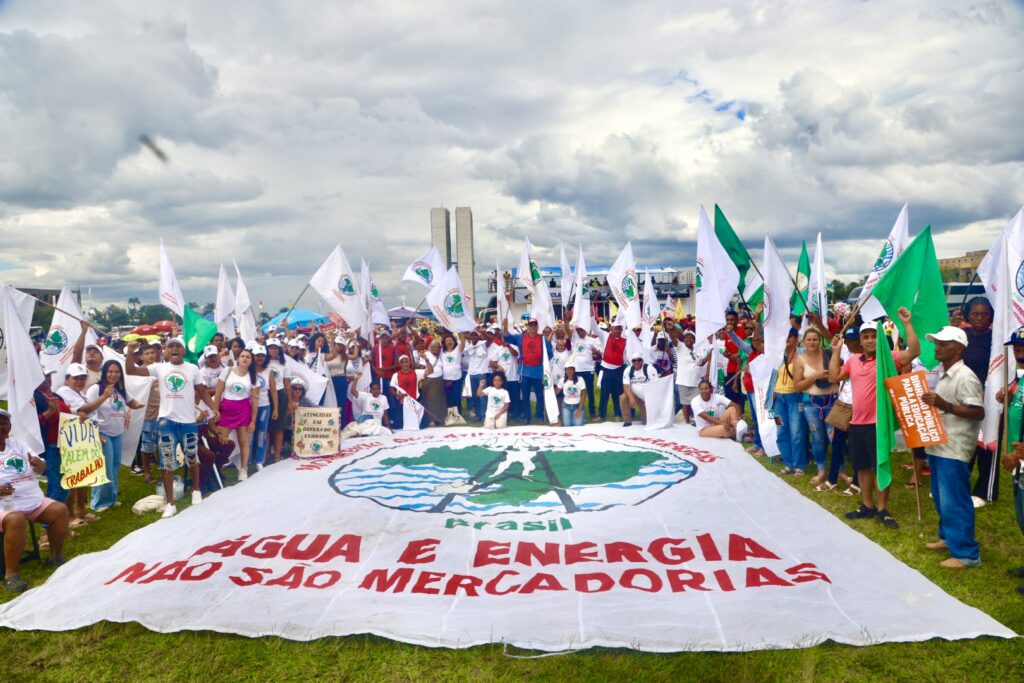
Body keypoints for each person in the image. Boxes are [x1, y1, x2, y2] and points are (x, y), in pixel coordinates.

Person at [829, 308, 920, 530]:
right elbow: (833, 376)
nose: (870, 340)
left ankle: (882, 509)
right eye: (866, 336)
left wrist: (907, 323)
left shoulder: (889, 358)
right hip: (857, 423)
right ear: (860, 340)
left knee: (880, 465)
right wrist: (835, 351)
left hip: (878, 424)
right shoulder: (853, 362)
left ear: (879, 337)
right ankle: (867, 505)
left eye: (873, 336)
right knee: (862, 468)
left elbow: (914, 351)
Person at [123, 338, 218, 518]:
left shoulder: (193, 369)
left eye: (178, 346)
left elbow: (202, 391)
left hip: (188, 421)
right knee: (167, 461)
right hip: (166, 421)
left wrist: (213, 408)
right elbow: (131, 370)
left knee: (192, 456)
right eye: (171, 346)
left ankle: (196, 491)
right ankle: (170, 503)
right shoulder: (159, 368)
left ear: (183, 350)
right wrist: (130, 352)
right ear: (166, 351)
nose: (175, 348)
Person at [919, 326, 985, 569]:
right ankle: (949, 537)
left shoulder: (965, 376)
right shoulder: (946, 373)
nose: (936, 347)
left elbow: (979, 411)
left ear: (959, 348)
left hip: (954, 448)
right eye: (936, 343)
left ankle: (967, 554)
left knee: (954, 499)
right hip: (940, 445)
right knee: (940, 497)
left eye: (943, 343)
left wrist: (945, 405)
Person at [0, 410, 71, 594]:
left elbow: (40, 463)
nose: (1, 426)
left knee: (60, 510)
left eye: (4, 423)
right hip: (4, 506)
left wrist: (41, 465)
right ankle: (11, 575)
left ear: (10, 427)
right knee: (16, 520)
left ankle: (54, 558)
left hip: (32, 501)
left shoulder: (17, 444)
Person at [80, 359, 143, 511]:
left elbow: (131, 402)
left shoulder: (120, 389)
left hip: (117, 432)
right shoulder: (96, 389)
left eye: (116, 372)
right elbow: (85, 410)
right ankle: (98, 502)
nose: (113, 375)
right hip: (102, 433)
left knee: (114, 467)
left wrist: (142, 401)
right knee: (104, 469)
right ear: (104, 373)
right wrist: (104, 396)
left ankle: (111, 497)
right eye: (110, 371)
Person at [793, 328, 837, 486]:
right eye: (809, 339)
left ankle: (840, 471)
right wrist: (814, 377)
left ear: (820, 341)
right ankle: (821, 470)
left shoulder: (829, 354)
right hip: (811, 404)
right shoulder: (799, 360)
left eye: (815, 339)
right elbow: (797, 386)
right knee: (817, 439)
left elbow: (838, 374)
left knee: (835, 437)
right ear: (803, 342)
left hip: (832, 401)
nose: (812, 342)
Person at [54, 363, 95, 525]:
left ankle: (81, 509)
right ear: (67, 379)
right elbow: (78, 411)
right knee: (72, 477)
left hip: (82, 439)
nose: (79, 381)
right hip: (69, 441)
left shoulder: (80, 393)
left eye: (82, 378)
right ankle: (70, 514)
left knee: (83, 475)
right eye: (76, 378)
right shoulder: (63, 392)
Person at [214, 348, 260, 479]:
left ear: (251, 361)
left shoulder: (253, 377)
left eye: (248, 357)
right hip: (226, 410)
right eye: (242, 356)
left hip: (244, 411)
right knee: (221, 441)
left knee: (244, 442)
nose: (245, 358)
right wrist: (215, 410)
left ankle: (243, 469)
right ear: (238, 358)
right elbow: (218, 393)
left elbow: (255, 401)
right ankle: (217, 468)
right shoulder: (227, 371)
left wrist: (253, 420)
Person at [504, 317, 553, 424]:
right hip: (524, 372)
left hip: (538, 371)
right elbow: (507, 337)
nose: (533, 327)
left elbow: (550, 353)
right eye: (531, 325)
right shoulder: (520, 337)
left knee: (540, 396)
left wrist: (542, 363)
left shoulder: (543, 339)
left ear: (538, 326)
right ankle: (527, 417)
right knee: (525, 396)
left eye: (535, 325)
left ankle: (539, 416)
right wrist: (505, 326)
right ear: (527, 326)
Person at [774, 328, 809, 476]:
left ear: (796, 338)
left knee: (796, 432)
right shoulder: (776, 355)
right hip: (778, 400)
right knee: (781, 430)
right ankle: (788, 463)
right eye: (784, 335)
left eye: (790, 336)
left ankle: (799, 465)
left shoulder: (802, 354)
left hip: (795, 398)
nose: (787, 338)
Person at [672, 328, 708, 423]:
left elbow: (701, 363)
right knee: (685, 404)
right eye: (686, 337)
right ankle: (687, 422)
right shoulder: (680, 347)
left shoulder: (697, 351)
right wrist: (671, 329)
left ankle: (697, 421)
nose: (688, 339)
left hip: (696, 382)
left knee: (696, 403)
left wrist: (711, 354)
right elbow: (673, 338)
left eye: (691, 338)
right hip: (683, 382)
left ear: (694, 340)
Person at [266, 338, 292, 465]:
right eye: (270, 347)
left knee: (279, 427)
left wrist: (290, 401)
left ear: (279, 350)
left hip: (280, 394)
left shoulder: (284, 364)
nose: (273, 350)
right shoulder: (262, 362)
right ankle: (265, 455)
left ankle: (277, 454)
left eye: (275, 347)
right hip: (264, 395)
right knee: (266, 428)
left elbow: (287, 384)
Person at [595, 322, 627, 421]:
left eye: (619, 329)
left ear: (621, 330)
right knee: (604, 393)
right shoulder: (605, 336)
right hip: (606, 369)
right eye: (615, 329)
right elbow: (594, 327)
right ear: (611, 329)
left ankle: (618, 414)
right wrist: (592, 317)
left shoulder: (625, 341)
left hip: (619, 369)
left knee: (618, 393)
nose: (617, 331)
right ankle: (601, 415)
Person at [620, 353, 662, 427]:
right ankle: (627, 420)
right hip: (635, 394)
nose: (636, 362)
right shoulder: (628, 370)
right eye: (634, 361)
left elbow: (656, 386)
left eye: (639, 360)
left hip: (647, 396)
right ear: (632, 362)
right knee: (623, 397)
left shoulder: (649, 368)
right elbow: (626, 386)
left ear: (642, 361)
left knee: (646, 422)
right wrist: (631, 398)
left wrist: (649, 400)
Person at [568, 324, 599, 419]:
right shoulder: (574, 337)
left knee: (590, 392)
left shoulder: (592, 340)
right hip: (576, 370)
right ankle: (577, 412)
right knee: (576, 392)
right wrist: (566, 320)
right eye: (578, 330)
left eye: (582, 330)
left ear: (585, 330)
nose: (580, 332)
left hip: (588, 370)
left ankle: (592, 413)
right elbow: (566, 330)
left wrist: (596, 351)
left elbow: (599, 354)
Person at [419, 339, 446, 427]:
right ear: (430, 347)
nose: (436, 348)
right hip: (429, 380)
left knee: (439, 401)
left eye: (438, 347)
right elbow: (422, 367)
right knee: (430, 401)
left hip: (439, 380)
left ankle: (440, 418)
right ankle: (431, 420)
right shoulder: (426, 354)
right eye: (434, 346)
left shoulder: (440, 355)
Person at [557, 362, 587, 426]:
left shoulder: (580, 379)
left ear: (574, 370)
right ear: (565, 370)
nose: (569, 371)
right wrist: (547, 384)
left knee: (578, 425)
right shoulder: (562, 380)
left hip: (577, 406)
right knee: (567, 425)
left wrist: (579, 409)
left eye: (571, 369)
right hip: (566, 406)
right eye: (567, 369)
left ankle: (581, 416)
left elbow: (584, 394)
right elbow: (556, 392)